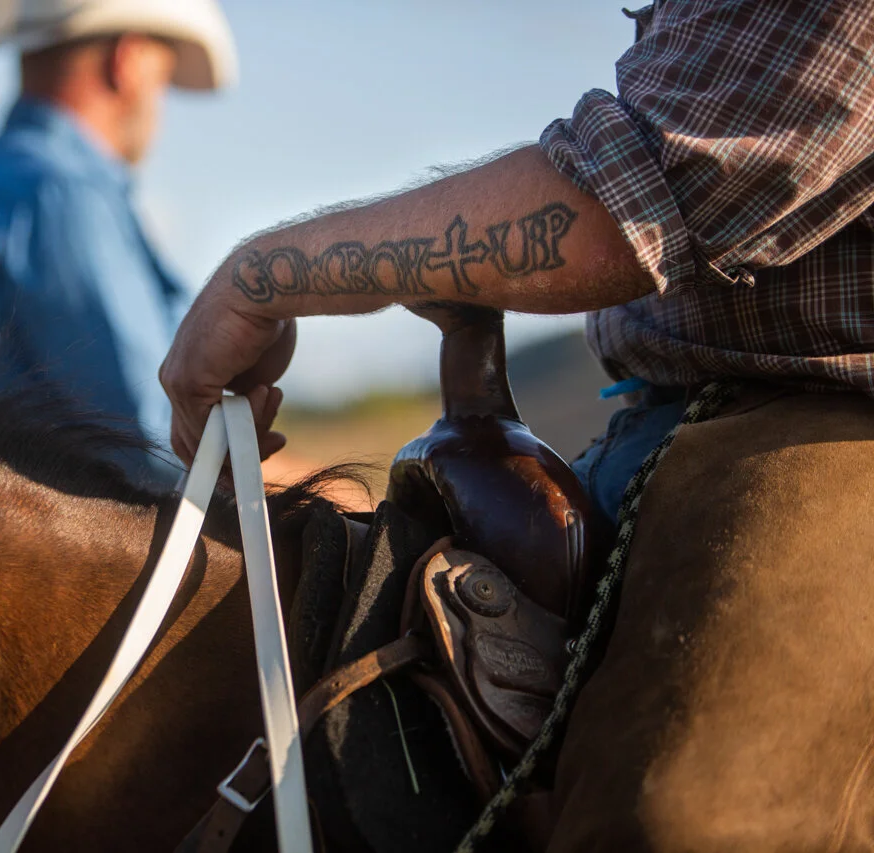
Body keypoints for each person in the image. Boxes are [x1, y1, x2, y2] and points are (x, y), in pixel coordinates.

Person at [160, 2, 874, 849]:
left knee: (685, 819)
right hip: (659, 417)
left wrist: (261, 278)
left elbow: (630, 199)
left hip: (829, 426)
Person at [0, 0, 236, 485]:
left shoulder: (6, 178)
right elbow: (153, 441)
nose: (159, 106)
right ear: (125, 62)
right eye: (161, 79)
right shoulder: (62, 192)